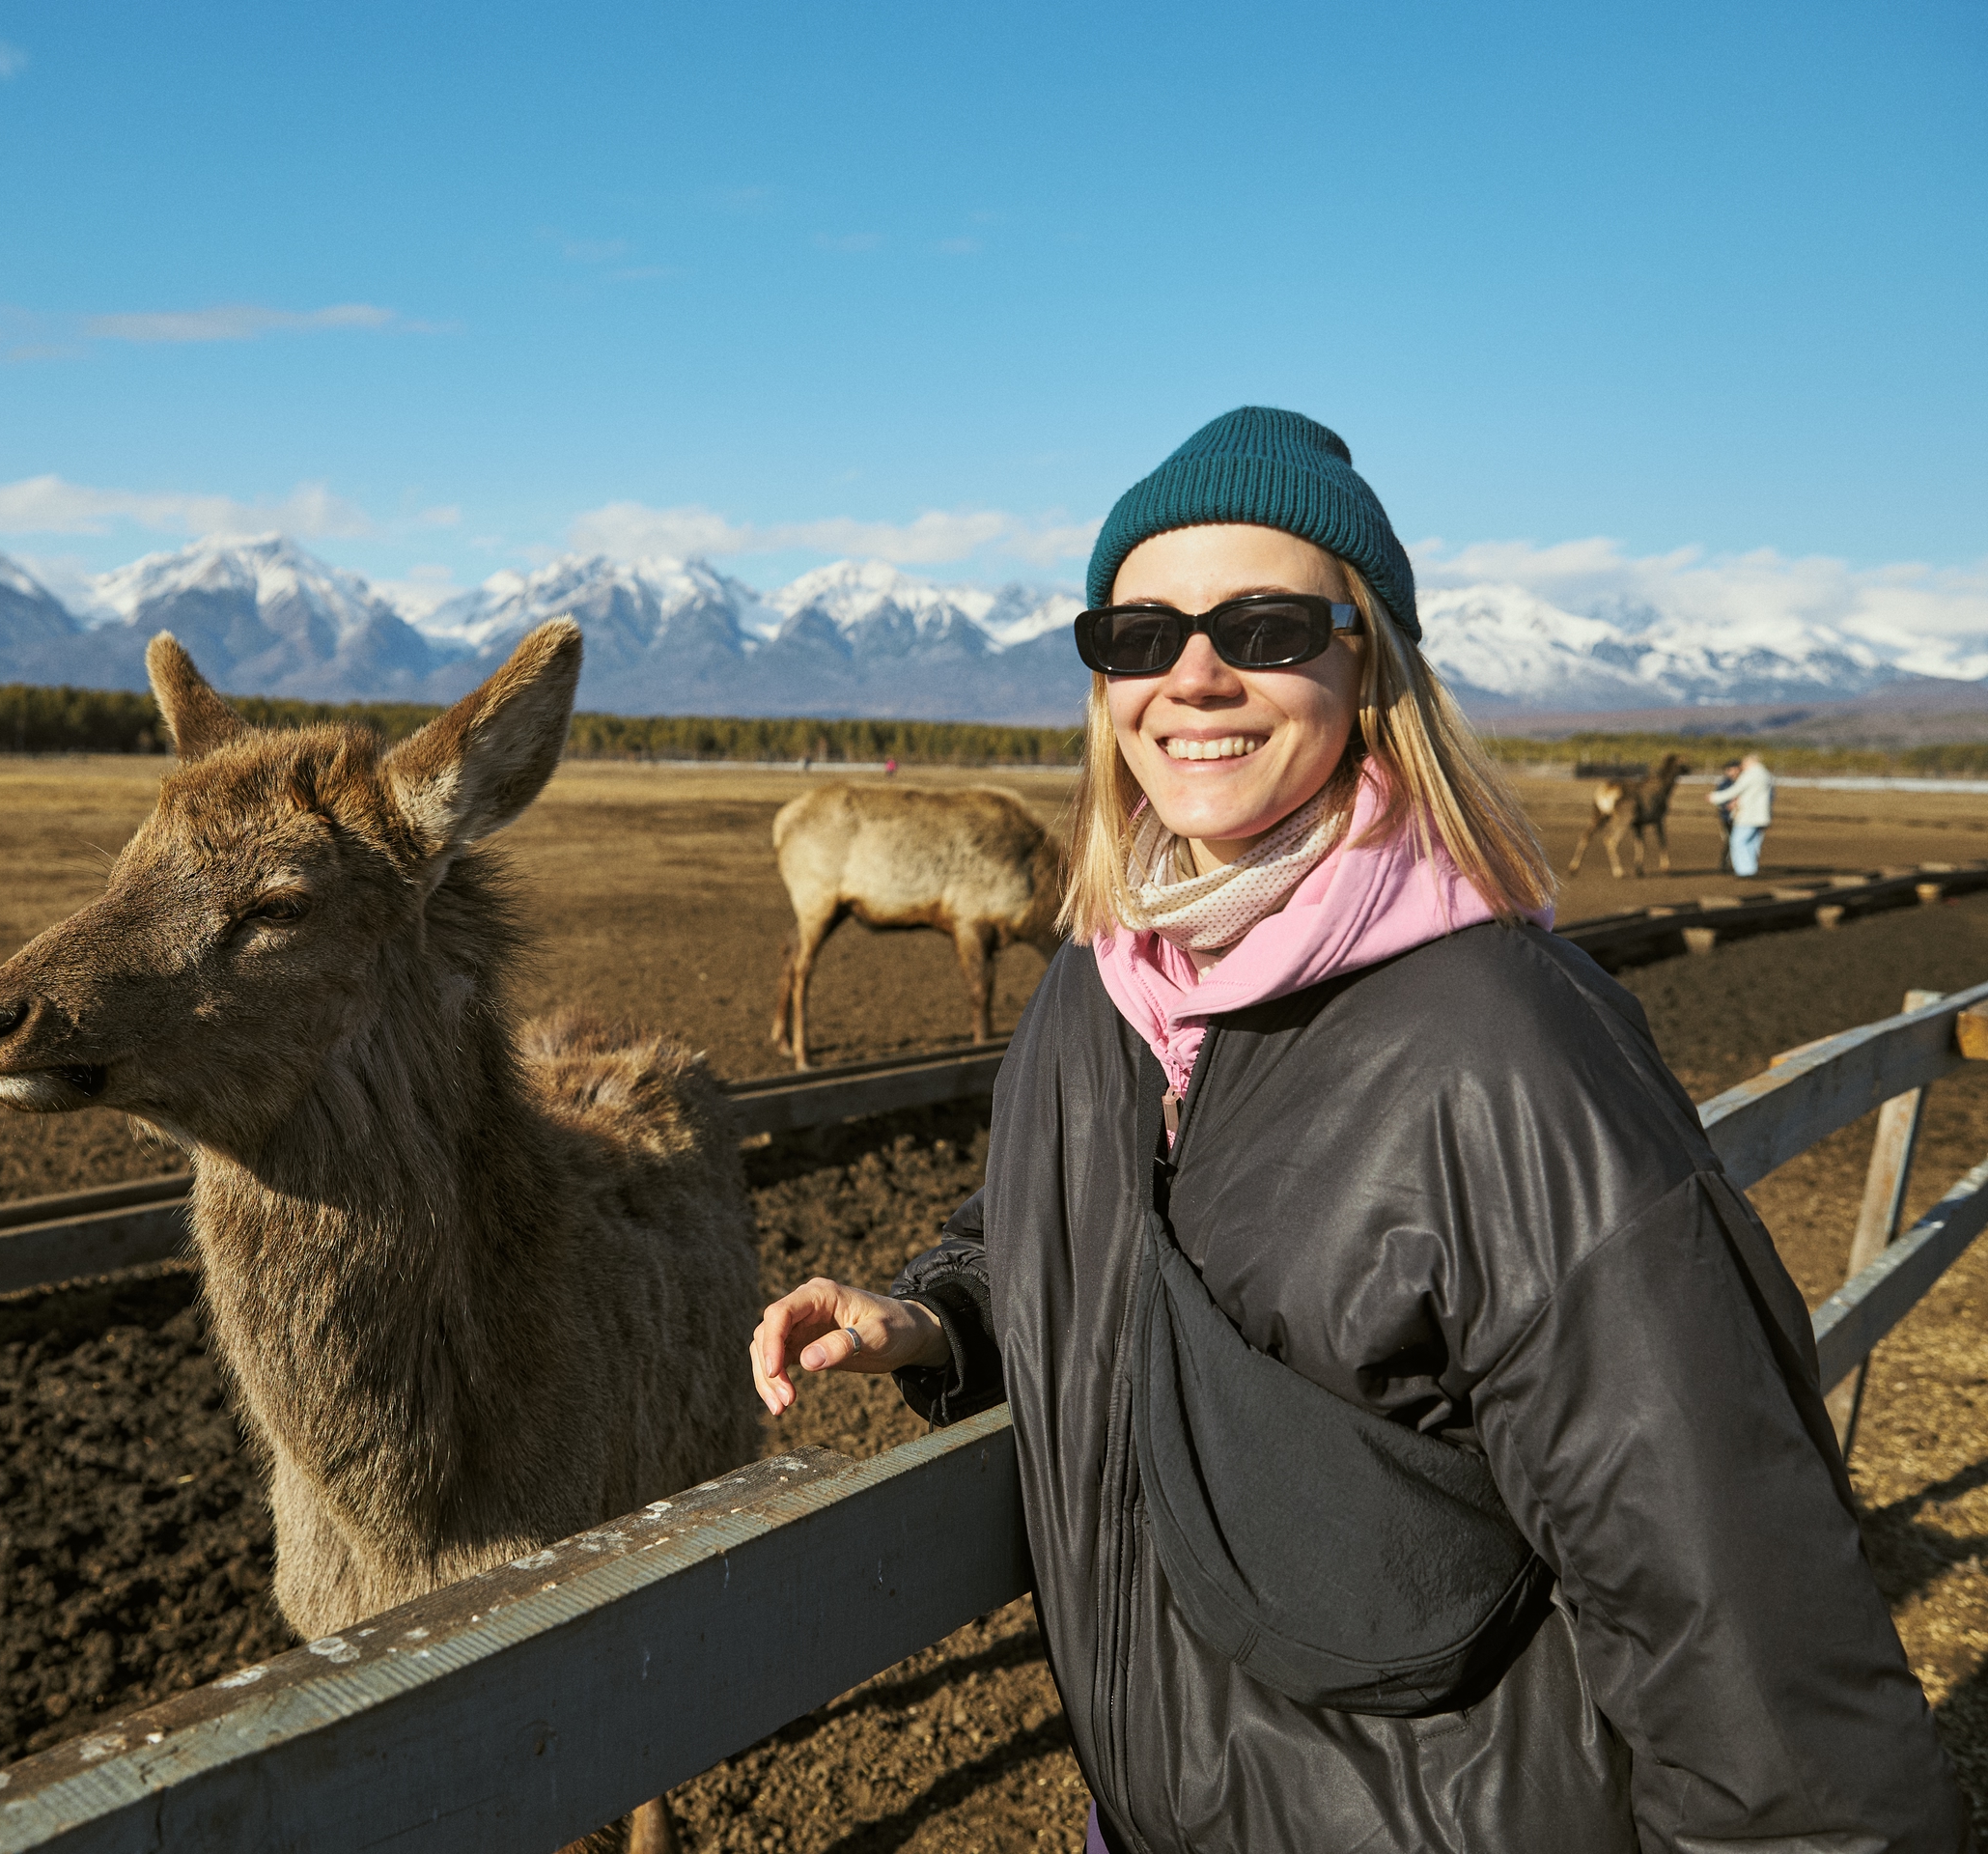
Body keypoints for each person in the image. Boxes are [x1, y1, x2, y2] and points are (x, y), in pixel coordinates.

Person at [747, 408, 1970, 1853]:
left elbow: (1753, 1654)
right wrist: (941, 1315)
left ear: (1368, 658)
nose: (1190, 677)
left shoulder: (1509, 1057)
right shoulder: (1099, 992)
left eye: (1262, 626)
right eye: (1137, 635)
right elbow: (1091, 1233)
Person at [1711, 750, 1775, 876]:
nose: (1741, 766)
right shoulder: (1765, 775)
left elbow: (1735, 792)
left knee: (1738, 841)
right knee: (1748, 842)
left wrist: (1716, 798)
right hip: (1748, 817)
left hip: (1747, 817)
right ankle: (1745, 868)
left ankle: (1744, 870)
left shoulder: (1751, 776)